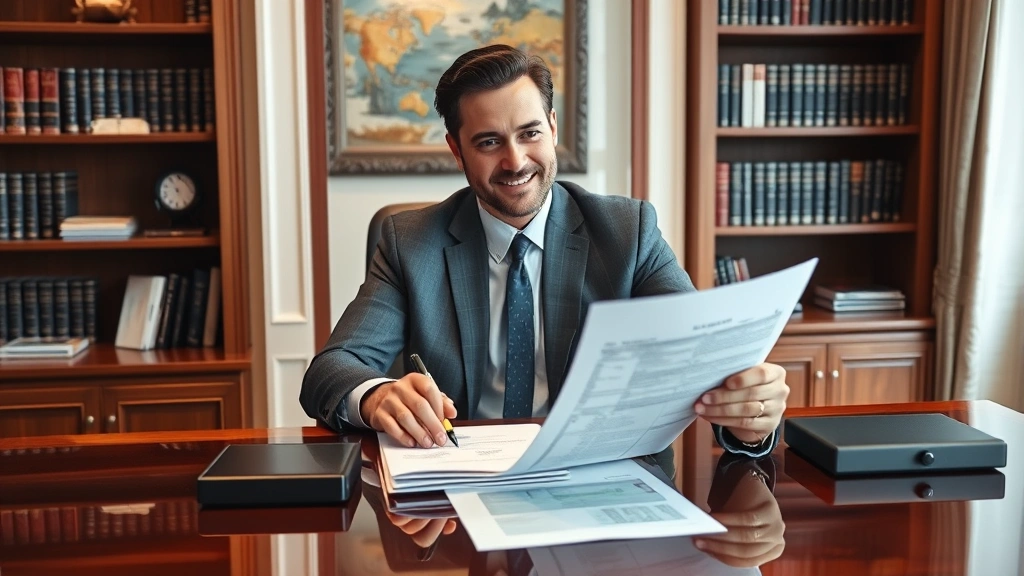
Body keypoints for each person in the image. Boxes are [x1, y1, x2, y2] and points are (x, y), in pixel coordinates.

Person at [300, 44, 789, 465]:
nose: (515, 161)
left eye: (529, 133)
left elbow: (703, 360)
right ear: (456, 149)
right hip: (457, 488)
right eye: (489, 142)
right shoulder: (410, 243)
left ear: (553, 127)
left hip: (600, 482)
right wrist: (377, 396)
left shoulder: (627, 232)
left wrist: (749, 419)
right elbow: (331, 369)